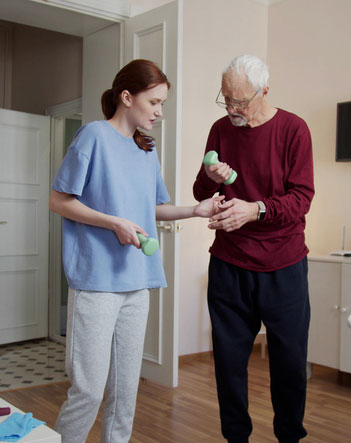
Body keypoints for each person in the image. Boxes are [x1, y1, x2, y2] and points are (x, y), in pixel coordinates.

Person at [50, 59, 222, 443]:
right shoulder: (92, 136)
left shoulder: (146, 149)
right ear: (126, 98)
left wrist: (196, 209)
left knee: (125, 393)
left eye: (163, 103)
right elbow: (59, 201)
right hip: (96, 282)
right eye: (154, 102)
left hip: (137, 282)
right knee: (89, 390)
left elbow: (153, 208)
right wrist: (114, 222)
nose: (160, 112)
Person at [192, 54, 315, 443]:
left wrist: (255, 210)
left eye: (240, 101)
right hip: (229, 265)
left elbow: (301, 198)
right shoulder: (220, 130)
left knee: (290, 366)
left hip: (284, 265)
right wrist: (209, 178)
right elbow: (200, 192)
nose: (231, 108)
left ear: (264, 91)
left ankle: (290, 437)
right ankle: (236, 439)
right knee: (228, 365)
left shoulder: (294, 129)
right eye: (226, 98)